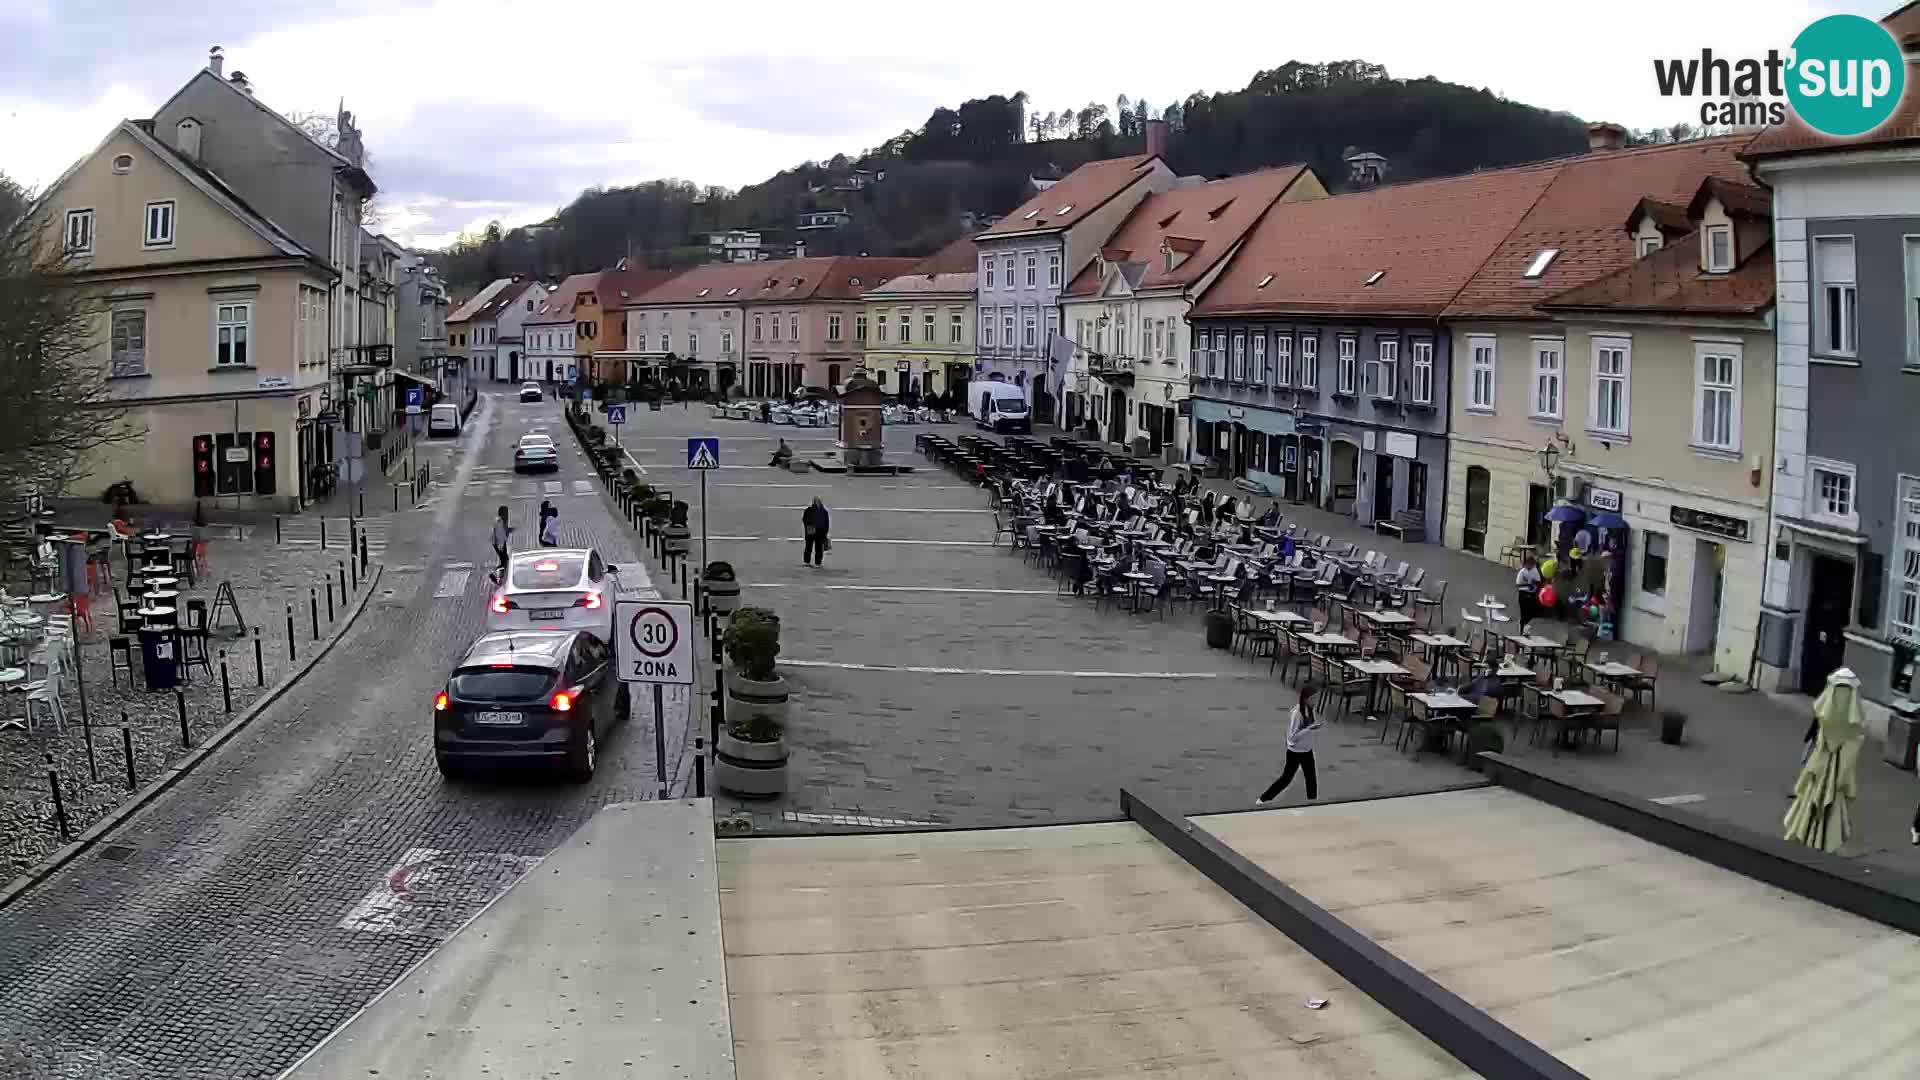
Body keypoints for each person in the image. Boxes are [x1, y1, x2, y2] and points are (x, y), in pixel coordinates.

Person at [1257, 683, 1322, 804]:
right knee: (1286, 778)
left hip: (1306, 750)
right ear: (1305, 699)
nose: (1315, 701)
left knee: (1311, 778)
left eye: (1316, 698)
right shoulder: (1297, 714)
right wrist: (1308, 729)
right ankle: (1263, 799)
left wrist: (1310, 728)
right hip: (1295, 752)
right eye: (1312, 699)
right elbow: (1292, 737)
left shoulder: (1308, 709)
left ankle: (1313, 803)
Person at [801, 497, 830, 567]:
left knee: (809, 547)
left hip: (811, 530)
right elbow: (826, 523)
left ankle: (807, 562)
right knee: (818, 548)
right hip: (820, 531)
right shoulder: (824, 511)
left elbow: (804, 520)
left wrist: (808, 527)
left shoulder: (808, 510)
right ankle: (817, 563)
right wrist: (825, 533)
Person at [1515, 554, 1543, 624]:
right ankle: (1523, 622)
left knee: (1530, 612)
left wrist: (1535, 584)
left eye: (1532, 564)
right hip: (1523, 592)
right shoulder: (1522, 572)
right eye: (1529, 563)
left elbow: (1539, 582)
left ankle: (1526, 621)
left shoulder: (1535, 571)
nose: (1531, 565)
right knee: (1524, 609)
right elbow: (1517, 585)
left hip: (1532, 593)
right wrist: (1528, 585)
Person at [489, 506, 513, 582]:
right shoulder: (500, 521)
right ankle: (495, 575)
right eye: (506, 513)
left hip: (499, 543)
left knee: (505, 561)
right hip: (499, 543)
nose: (507, 514)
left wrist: (509, 530)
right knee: (505, 561)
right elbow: (500, 534)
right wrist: (501, 546)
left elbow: (503, 531)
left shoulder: (501, 520)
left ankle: (500, 576)